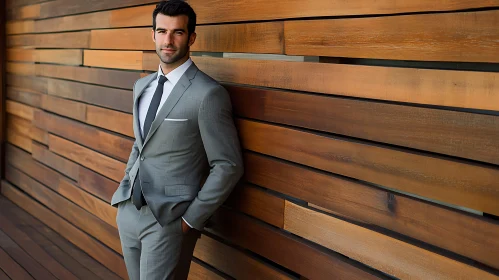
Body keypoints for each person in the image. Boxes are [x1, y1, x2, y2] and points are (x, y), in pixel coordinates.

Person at [110, 1, 244, 279]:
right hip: (129, 211)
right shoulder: (142, 86)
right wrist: (125, 187)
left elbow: (228, 165)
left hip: (169, 221)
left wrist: (189, 221)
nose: (168, 40)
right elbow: (141, 145)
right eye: (162, 31)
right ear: (153, 35)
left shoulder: (208, 94)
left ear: (191, 37)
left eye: (178, 32)